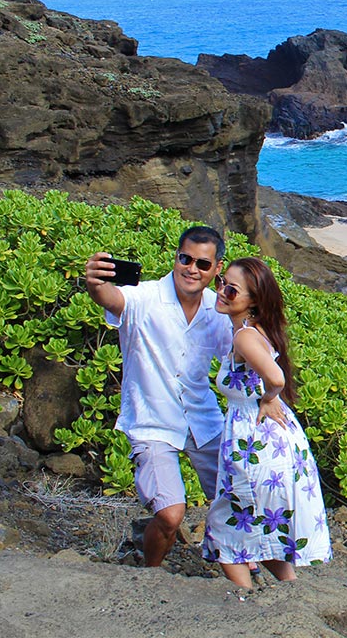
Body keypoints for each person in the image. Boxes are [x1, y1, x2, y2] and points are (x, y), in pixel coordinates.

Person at [84, 226, 232, 567]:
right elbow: (112, 299)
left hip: (204, 420)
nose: (192, 269)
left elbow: (237, 355)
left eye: (203, 264)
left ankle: (244, 569)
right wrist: (96, 283)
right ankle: (149, 575)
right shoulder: (145, 297)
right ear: (176, 257)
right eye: (186, 259)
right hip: (152, 421)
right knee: (170, 514)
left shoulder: (217, 310)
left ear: (217, 268)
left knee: (236, 500)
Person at [202, 257, 331, 587]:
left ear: (253, 301)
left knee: (225, 531)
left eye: (231, 290)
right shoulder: (257, 331)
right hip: (272, 442)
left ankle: (245, 601)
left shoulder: (245, 337)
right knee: (267, 527)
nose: (221, 292)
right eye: (221, 283)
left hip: (255, 445)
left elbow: (275, 377)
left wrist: (270, 396)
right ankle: (290, 597)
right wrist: (270, 397)